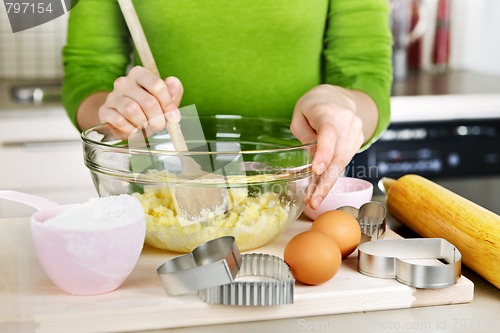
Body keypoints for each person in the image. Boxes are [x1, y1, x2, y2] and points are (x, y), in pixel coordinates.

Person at [62, 0, 393, 210]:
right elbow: (87, 75)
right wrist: (119, 109)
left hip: (298, 205)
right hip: (160, 198)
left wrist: (340, 103)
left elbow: (366, 78)